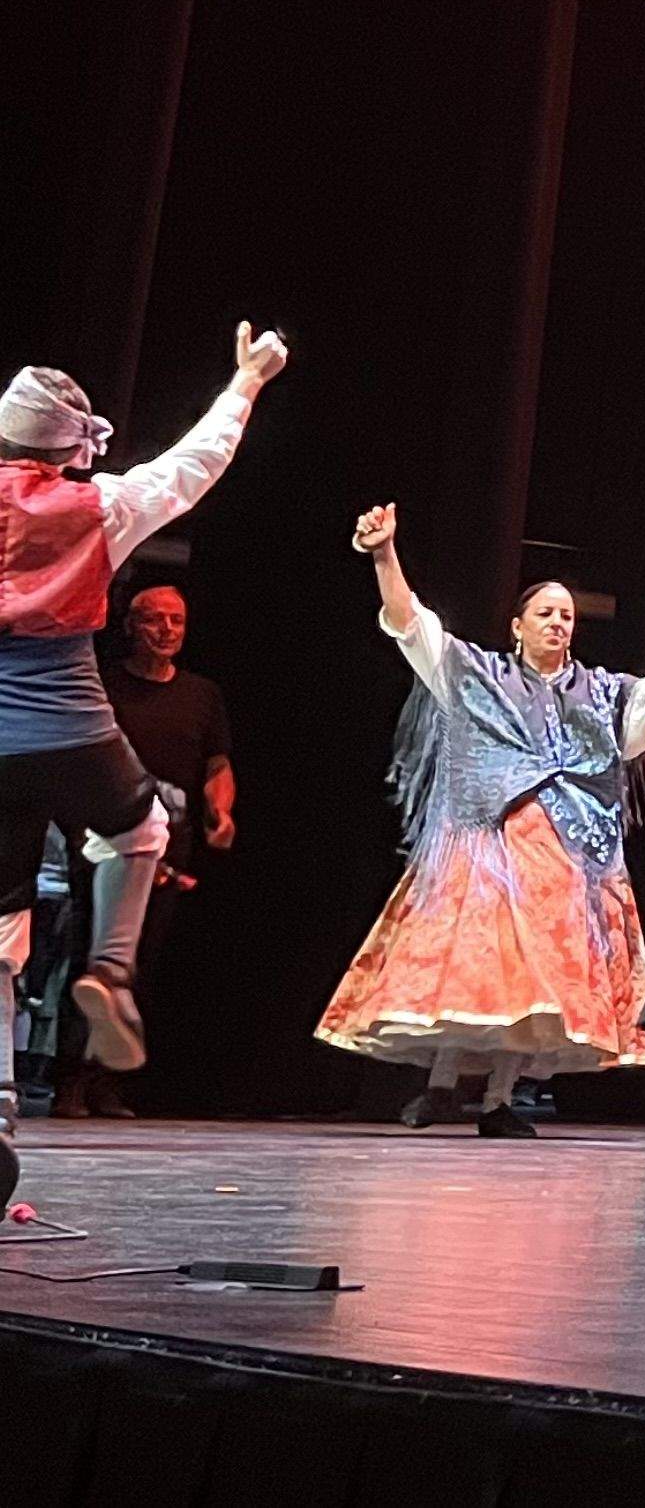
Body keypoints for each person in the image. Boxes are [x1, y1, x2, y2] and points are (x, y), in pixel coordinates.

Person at [316, 513, 645, 1129]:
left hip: (568, 857)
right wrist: (385, 553)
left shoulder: (602, 693)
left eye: (567, 616)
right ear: (517, 626)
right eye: (546, 614)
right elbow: (411, 625)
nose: (559, 623)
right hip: (489, 848)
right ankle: (444, 1083)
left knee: (538, 985)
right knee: (479, 966)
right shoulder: (480, 678)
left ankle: (500, 1099)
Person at [1, 333, 285, 1156]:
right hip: (66, 712)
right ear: (67, 446)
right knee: (141, 828)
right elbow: (192, 466)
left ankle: (2, 1102)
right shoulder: (100, 506)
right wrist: (244, 383)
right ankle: (112, 971)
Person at [84, 583, 235, 1116]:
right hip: (101, 842)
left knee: (136, 963)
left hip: (171, 850)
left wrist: (222, 812)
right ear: (131, 625)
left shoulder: (200, 695)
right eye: (155, 620)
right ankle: (64, 1080)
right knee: (83, 958)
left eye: (177, 621)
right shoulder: (103, 686)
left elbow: (217, 764)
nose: (167, 631)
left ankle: (107, 1085)